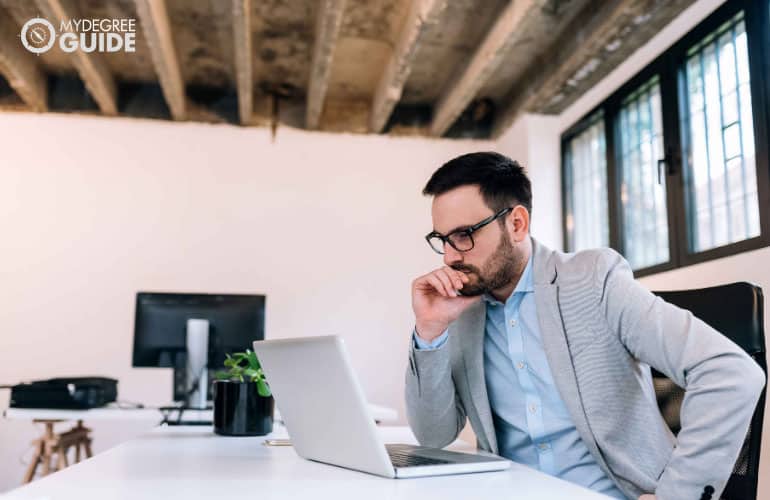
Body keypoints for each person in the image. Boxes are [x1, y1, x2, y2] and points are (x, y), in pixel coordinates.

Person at [405, 152, 765, 500]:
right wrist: (430, 330)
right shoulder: (463, 310)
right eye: (443, 240)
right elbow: (434, 436)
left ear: (517, 223)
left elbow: (731, 373)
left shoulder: (593, 281)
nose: (452, 256)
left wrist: (678, 496)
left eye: (465, 235)